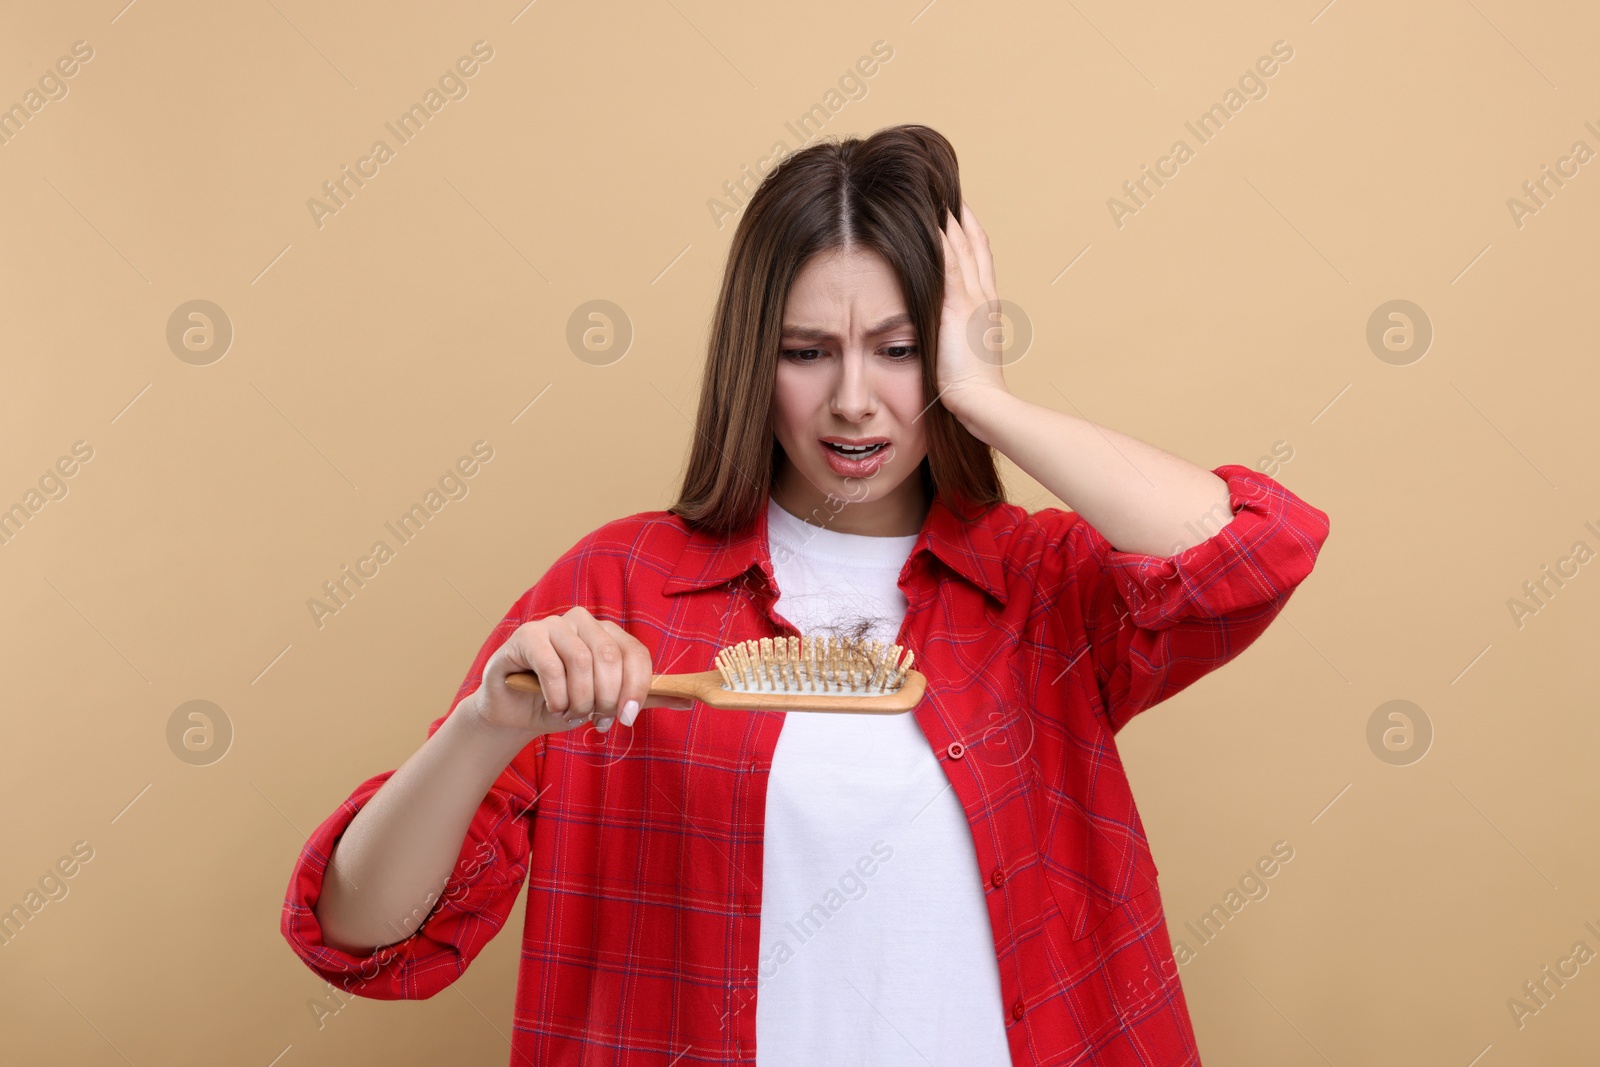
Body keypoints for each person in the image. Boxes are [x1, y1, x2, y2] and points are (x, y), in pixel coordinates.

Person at [280, 123, 1330, 1066]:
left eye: (898, 349)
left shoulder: (1044, 586)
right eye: (806, 352)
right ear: (754, 359)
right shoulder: (616, 589)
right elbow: (365, 933)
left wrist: (986, 399)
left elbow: (1256, 546)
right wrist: (481, 729)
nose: (853, 401)